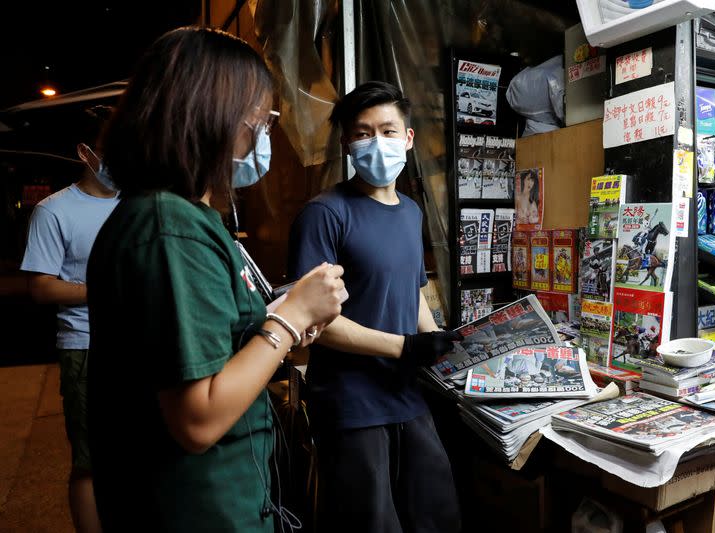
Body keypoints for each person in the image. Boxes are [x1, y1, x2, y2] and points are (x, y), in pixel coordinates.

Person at [85, 27, 344, 532]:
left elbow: (207, 342)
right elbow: (197, 418)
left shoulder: (191, 217)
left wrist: (274, 318)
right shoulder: (169, 226)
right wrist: (290, 319)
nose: (264, 133)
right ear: (212, 114)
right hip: (196, 508)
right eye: (261, 118)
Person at [288, 81, 462, 532]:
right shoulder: (324, 214)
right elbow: (313, 322)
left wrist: (437, 342)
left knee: (436, 514)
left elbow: (414, 291)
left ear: (408, 138)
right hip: (351, 404)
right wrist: (406, 348)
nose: (376, 142)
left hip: (407, 396)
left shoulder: (410, 211)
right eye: (363, 133)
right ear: (347, 144)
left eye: (387, 130)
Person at [20, 127, 118, 533]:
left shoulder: (142, 203)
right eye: (111, 149)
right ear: (84, 152)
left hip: (144, 343)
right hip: (86, 346)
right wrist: (110, 289)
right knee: (90, 462)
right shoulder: (54, 211)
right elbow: (42, 287)